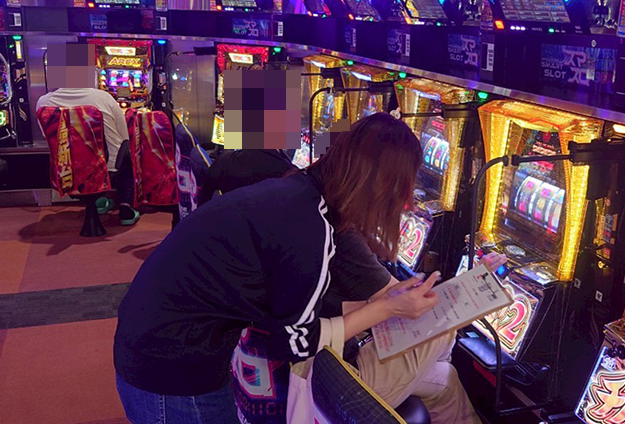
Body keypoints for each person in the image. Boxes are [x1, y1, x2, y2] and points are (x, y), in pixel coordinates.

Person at [113, 113, 442, 423]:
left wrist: (379, 304)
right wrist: (384, 309)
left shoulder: (297, 192)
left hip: (157, 341)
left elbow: (275, 304)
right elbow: (295, 342)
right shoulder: (309, 226)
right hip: (169, 364)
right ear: (381, 186)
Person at [36, 42, 139, 226]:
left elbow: (49, 137)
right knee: (128, 154)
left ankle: (99, 200)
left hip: (66, 171)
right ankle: (125, 206)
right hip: (104, 169)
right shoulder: (103, 97)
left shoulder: (43, 103)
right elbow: (124, 136)